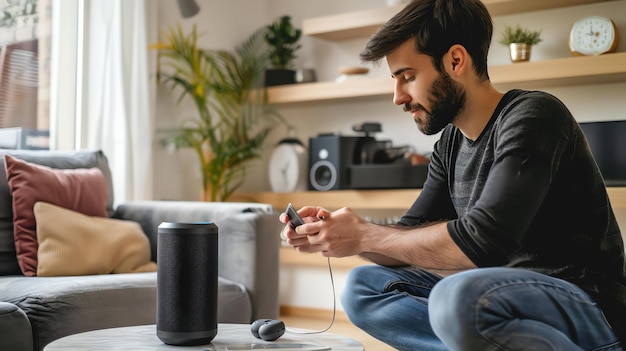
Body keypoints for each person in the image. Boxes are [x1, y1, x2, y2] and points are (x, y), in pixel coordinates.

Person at [279, 0, 626, 350]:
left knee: (458, 297)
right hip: (493, 301)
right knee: (363, 287)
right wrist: (339, 234)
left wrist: (365, 236)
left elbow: (483, 243)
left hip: (587, 304)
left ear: (456, 61)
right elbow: (406, 237)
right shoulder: (450, 143)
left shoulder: (534, 115)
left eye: (408, 77)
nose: (398, 97)